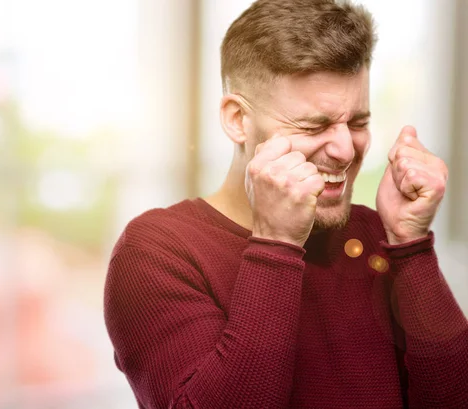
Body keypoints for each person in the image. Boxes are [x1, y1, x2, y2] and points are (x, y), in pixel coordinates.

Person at [104, 0, 468, 407]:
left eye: (358, 123)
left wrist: (409, 242)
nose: (346, 149)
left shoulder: (378, 236)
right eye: (315, 125)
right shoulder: (156, 252)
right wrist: (276, 242)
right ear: (238, 120)